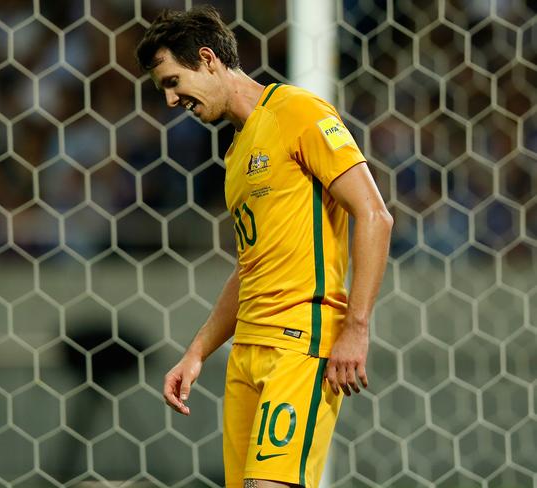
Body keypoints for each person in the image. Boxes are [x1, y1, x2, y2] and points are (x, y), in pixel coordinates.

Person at [136, 6, 393, 488]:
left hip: (300, 342)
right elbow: (249, 267)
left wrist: (356, 328)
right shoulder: (235, 155)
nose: (170, 99)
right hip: (246, 352)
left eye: (172, 81)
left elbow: (375, 214)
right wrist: (196, 353)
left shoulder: (298, 111)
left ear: (208, 59)